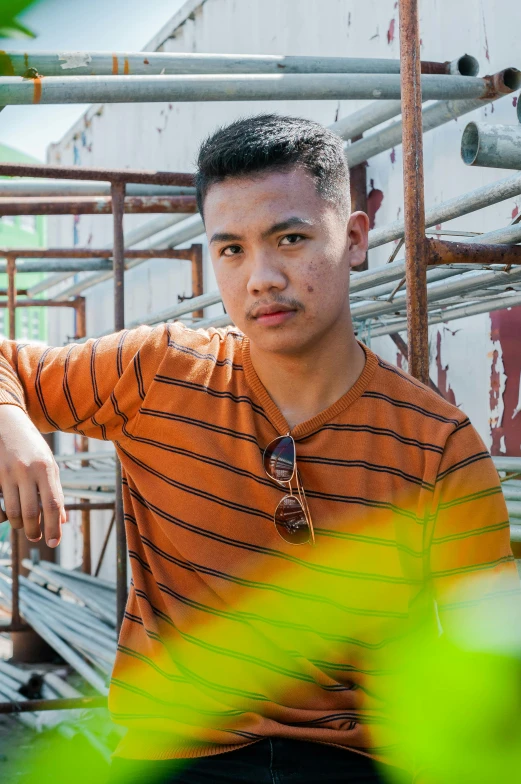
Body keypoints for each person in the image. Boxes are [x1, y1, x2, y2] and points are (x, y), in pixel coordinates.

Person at [0, 114, 517, 784]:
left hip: (350, 763)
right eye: (232, 250)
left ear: (355, 238)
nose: (261, 277)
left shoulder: (438, 447)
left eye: (290, 238)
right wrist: (12, 422)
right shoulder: (159, 370)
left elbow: (489, 672)